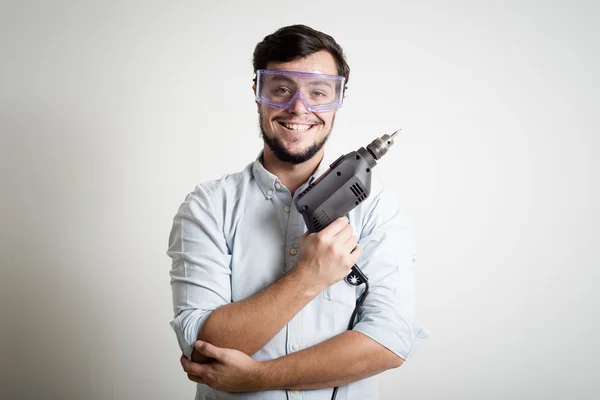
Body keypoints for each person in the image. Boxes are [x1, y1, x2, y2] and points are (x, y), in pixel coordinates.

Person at [167, 24, 429, 400]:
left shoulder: (377, 208)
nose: (299, 108)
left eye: (318, 92)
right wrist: (308, 278)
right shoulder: (208, 206)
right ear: (258, 95)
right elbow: (204, 345)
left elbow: (388, 342)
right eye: (282, 89)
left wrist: (257, 377)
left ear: (338, 99)